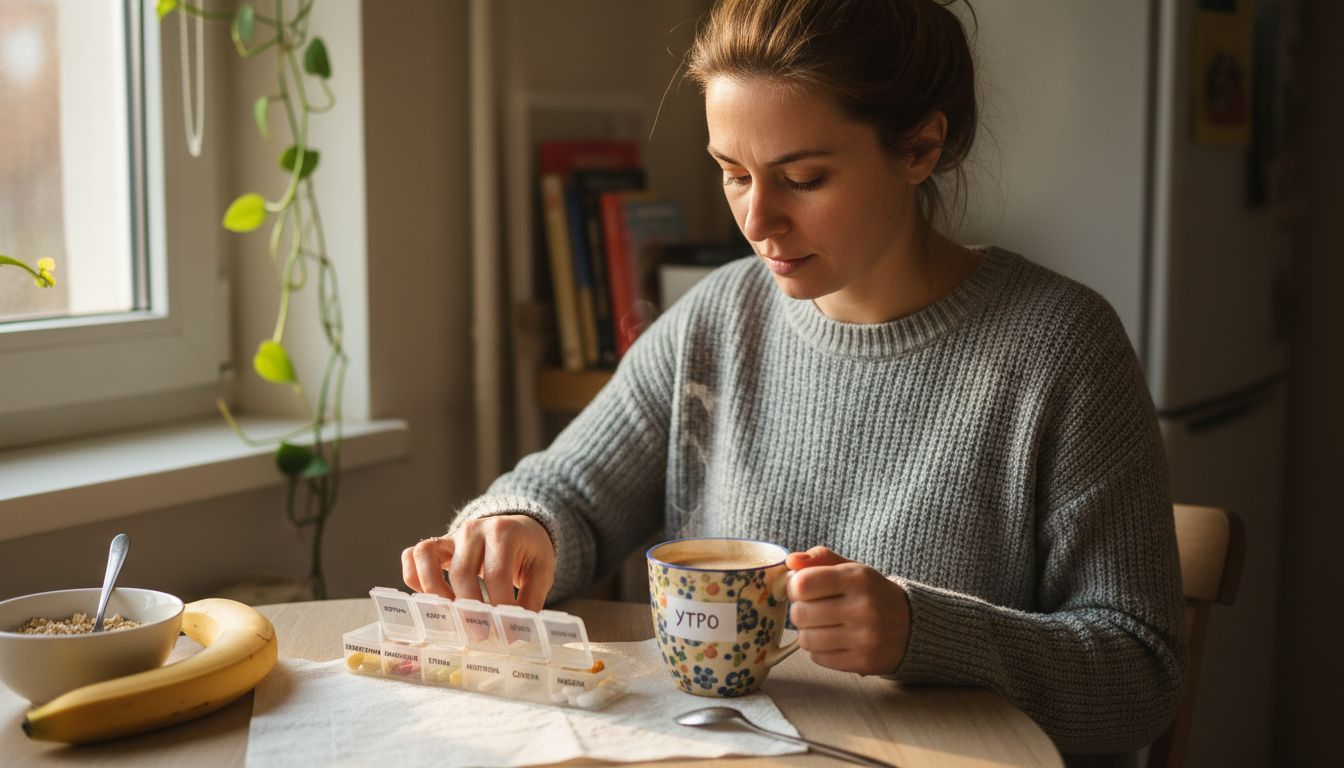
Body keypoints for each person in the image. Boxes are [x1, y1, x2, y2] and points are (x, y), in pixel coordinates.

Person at [403, 0, 1185, 763]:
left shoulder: (1064, 348)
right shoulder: (717, 317)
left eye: (802, 178)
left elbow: (1139, 674)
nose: (757, 220)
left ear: (920, 148)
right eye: (731, 172)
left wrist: (925, 632)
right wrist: (518, 526)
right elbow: (568, 492)